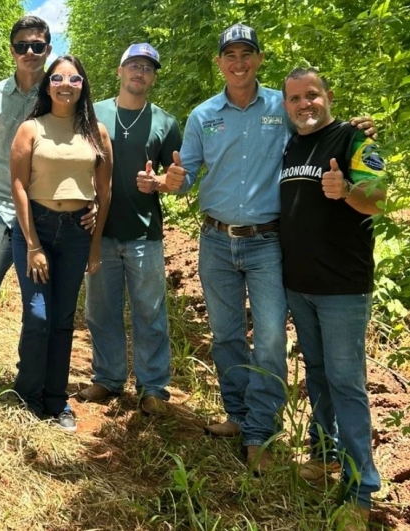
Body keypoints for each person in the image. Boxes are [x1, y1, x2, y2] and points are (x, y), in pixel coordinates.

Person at [165, 24, 376, 474]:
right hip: (216, 240)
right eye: (230, 55)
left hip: (267, 243)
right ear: (219, 62)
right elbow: (184, 177)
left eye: (247, 54)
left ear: (259, 59)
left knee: (270, 340)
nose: (238, 62)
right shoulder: (204, 115)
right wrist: (170, 182)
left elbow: (317, 127)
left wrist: (355, 129)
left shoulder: (280, 108)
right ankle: (238, 415)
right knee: (224, 335)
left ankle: (261, 429)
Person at [0, 16, 96, 393]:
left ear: (48, 49)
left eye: (38, 45)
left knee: (39, 312)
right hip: (0, 210)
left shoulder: (62, 93)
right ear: (11, 50)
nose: (30, 52)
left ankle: (34, 386)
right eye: (22, 46)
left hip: (49, 219)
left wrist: (89, 197)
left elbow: (84, 150)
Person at [280, 68, 384, 529]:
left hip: (343, 286)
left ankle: (361, 490)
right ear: (287, 106)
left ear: (329, 96)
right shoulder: (289, 144)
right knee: (318, 375)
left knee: (346, 382)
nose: (305, 104)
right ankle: (323, 457)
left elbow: (379, 196)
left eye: (312, 95)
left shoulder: (354, 140)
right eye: (296, 98)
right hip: (299, 284)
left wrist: (348, 192)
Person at [78, 43, 182, 416]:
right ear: (120, 71)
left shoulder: (166, 123)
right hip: (100, 230)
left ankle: (153, 387)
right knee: (101, 311)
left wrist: (162, 184)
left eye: (148, 68)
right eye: (134, 65)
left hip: (144, 232)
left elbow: (178, 180)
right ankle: (107, 377)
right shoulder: (93, 113)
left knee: (149, 312)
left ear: (153, 78)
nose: (140, 72)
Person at [10, 55, 112, 431]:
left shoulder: (96, 133)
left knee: (63, 319)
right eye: (57, 78)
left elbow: (105, 189)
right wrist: (33, 244)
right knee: (38, 317)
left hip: (75, 234)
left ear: (83, 85)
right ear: (47, 85)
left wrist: (95, 242)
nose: (65, 84)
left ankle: (55, 400)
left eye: (73, 79)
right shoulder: (31, 129)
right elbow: (18, 186)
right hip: (35, 228)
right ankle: (26, 394)